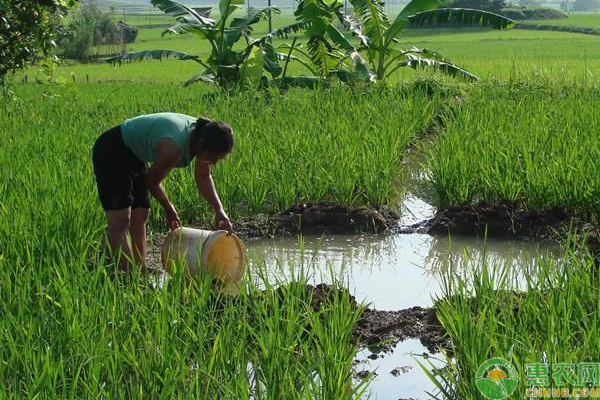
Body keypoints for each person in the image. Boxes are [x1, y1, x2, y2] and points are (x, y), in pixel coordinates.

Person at [92, 112, 234, 271]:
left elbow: (203, 176)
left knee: (141, 214)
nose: (213, 162)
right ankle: (128, 277)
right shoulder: (174, 147)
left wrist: (219, 210)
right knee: (120, 220)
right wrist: (168, 208)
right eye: (213, 157)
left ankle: (140, 271)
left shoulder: (204, 134)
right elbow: (151, 181)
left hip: (135, 154)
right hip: (112, 150)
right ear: (201, 144)